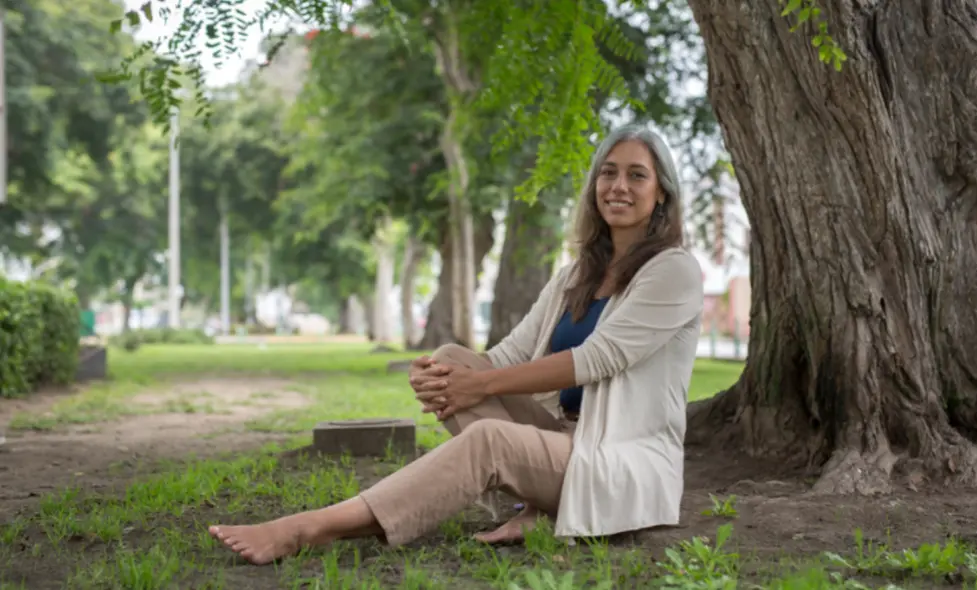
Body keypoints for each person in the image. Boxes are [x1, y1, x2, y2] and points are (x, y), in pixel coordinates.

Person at [208, 124, 704, 565]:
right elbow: (509, 355)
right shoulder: (576, 274)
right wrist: (444, 376)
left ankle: (309, 528)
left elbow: (595, 360)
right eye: (608, 173)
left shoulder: (673, 271)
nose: (618, 186)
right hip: (564, 438)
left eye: (637, 175)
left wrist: (479, 385)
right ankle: (538, 509)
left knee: (489, 439)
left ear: (661, 193)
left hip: (618, 459)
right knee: (449, 360)